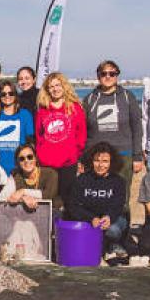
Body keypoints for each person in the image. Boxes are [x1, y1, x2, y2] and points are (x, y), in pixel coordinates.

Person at [82, 60, 144, 197]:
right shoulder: (90, 99)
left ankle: (123, 219)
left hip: (123, 155)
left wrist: (137, 156)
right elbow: (82, 130)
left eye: (112, 73)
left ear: (117, 76)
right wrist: (82, 159)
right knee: (97, 195)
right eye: (104, 73)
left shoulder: (128, 97)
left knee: (122, 195)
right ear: (98, 76)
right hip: (96, 157)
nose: (108, 77)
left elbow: (137, 128)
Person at [69, 142, 130, 265]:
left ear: (111, 162)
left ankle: (112, 245)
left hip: (111, 219)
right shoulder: (82, 179)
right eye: (97, 160)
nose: (100, 165)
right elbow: (73, 205)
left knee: (113, 230)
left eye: (105, 161)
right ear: (91, 161)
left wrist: (109, 217)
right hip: (90, 219)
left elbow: (118, 204)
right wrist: (90, 218)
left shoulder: (118, 181)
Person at [35, 72, 86, 207]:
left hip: (68, 163)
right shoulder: (43, 111)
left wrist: (75, 156)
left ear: (64, 86)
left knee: (67, 200)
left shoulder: (75, 108)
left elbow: (81, 135)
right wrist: (41, 155)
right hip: (47, 163)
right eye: (51, 87)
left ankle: (64, 227)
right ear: (47, 90)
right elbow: (39, 136)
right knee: (48, 200)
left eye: (58, 85)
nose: (55, 89)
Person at [0, 81, 34, 176]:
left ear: (15, 95)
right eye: (3, 94)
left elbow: (31, 141)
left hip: (20, 167)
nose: (7, 96)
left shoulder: (25, 114)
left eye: (11, 93)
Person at [8, 143, 61, 210]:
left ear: (35, 158)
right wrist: (22, 198)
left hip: (51, 214)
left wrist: (23, 192)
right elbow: (4, 196)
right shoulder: (16, 175)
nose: (26, 161)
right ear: (18, 162)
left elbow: (48, 195)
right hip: (26, 217)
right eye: (22, 159)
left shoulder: (50, 173)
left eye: (30, 157)